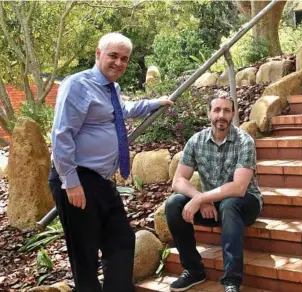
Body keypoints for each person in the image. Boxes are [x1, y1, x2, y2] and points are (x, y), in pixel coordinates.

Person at [49, 32, 173, 292]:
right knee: (84, 256)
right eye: (113, 56)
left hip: (102, 181)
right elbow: (61, 135)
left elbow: (122, 111)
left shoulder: (111, 88)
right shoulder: (77, 85)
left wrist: (155, 103)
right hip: (77, 178)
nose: (119, 63)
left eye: (124, 59)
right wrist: (71, 183)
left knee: (121, 242)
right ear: (98, 54)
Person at [165, 93, 262, 292]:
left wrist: (202, 197)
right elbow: (178, 180)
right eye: (217, 110)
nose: (221, 115)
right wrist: (200, 199)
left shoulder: (245, 141)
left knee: (230, 203)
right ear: (209, 113)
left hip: (245, 202)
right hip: (213, 204)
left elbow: (239, 187)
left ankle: (232, 281)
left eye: (226, 110)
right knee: (174, 204)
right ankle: (193, 270)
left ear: (233, 114)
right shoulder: (196, 141)